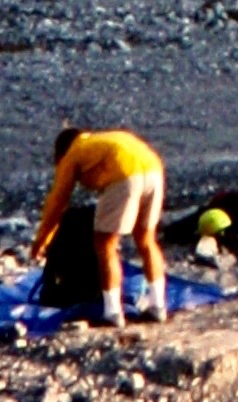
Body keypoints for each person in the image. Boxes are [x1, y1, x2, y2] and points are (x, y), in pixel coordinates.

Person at [30, 125, 167, 326]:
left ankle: (112, 313)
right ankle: (158, 306)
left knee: (105, 244)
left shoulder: (73, 153)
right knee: (147, 240)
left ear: (61, 151)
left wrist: (42, 240)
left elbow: (57, 202)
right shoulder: (100, 141)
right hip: (154, 169)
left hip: (125, 174)